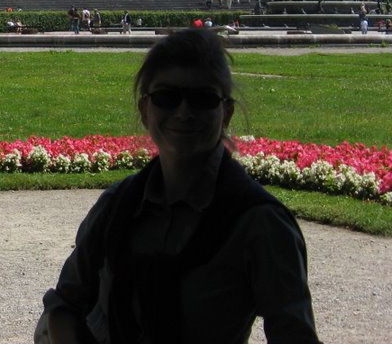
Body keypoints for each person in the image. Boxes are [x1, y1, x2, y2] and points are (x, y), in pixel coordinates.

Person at [34, 29, 320, 344]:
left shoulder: (261, 223)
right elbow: (64, 305)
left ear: (226, 113)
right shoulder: (117, 205)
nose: (184, 112)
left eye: (203, 99)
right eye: (167, 97)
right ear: (145, 111)